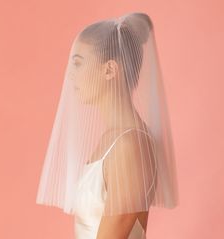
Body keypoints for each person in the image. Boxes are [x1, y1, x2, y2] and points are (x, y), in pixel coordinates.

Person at [36, 12, 179, 239]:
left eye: (78, 64)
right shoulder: (111, 140)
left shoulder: (131, 145)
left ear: (110, 70)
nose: (70, 75)